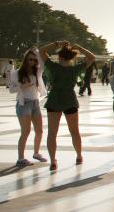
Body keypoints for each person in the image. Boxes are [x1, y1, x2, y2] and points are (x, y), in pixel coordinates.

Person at [39, 41, 96, 171]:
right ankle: (79, 155)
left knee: (52, 133)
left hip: (54, 99)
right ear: (72, 57)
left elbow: (41, 50)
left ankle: (53, 161)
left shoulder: (53, 67)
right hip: (70, 99)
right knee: (74, 131)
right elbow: (92, 57)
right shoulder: (76, 69)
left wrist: (56, 44)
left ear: (60, 57)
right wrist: (78, 47)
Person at [9, 48, 47, 166]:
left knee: (39, 130)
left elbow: (44, 63)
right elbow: (11, 89)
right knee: (25, 131)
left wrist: (36, 52)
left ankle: (36, 153)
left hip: (35, 103)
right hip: (24, 103)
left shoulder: (37, 72)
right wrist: (22, 86)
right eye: (30, 59)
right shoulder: (16, 73)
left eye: (34, 60)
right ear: (25, 60)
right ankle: (21, 158)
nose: (33, 62)